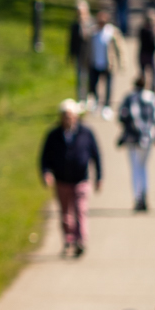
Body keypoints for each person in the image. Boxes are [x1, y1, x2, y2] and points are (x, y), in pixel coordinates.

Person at [40, 99, 103, 257]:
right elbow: (44, 157)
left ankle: (81, 241)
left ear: (75, 116)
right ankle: (69, 240)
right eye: (64, 116)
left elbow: (96, 155)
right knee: (66, 214)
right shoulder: (53, 135)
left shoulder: (85, 133)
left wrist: (99, 177)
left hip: (81, 179)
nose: (67, 119)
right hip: (62, 180)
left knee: (80, 210)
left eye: (70, 116)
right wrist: (46, 173)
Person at [118, 81, 155, 213]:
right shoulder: (152, 98)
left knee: (135, 168)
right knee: (143, 167)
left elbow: (121, 115)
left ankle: (138, 197)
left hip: (132, 138)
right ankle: (144, 194)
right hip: (148, 138)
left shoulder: (129, 98)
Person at [90, 9, 122, 110]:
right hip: (95, 62)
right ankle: (96, 101)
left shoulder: (112, 32)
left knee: (108, 86)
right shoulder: (93, 32)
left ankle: (107, 105)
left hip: (108, 64)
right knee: (93, 84)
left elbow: (119, 49)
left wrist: (121, 63)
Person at [67, 0, 95, 103]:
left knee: (91, 78)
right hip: (80, 55)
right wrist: (71, 55)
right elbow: (72, 42)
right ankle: (81, 99)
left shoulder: (92, 23)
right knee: (80, 78)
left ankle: (91, 97)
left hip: (91, 55)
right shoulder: (75, 25)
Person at [136, 9, 155, 92]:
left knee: (143, 73)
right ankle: (153, 89)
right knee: (154, 73)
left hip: (142, 54)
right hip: (150, 55)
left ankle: (141, 88)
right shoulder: (151, 32)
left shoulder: (141, 30)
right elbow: (153, 45)